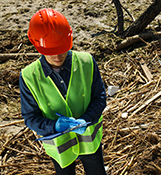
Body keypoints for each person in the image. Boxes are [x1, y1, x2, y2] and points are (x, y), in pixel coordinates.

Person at [19, 8, 107, 175]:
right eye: (51, 52)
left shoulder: (87, 62)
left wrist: (86, 120)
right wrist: (54, 126)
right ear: (35, 43)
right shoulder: (29, 76)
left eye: (62, 49)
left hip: (90, 141)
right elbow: (30, 118)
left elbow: (100, 98)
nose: (58, 56)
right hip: (60, 148)